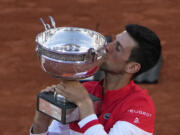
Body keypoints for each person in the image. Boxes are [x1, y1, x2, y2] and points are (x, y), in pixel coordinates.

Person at [30, 24, 161, 135]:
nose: (107, 47)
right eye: (113, 41)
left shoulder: (140, 107)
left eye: (117, 48)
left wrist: (84, 104)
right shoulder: (86, 90)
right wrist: (41, 121)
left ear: (132, 67)